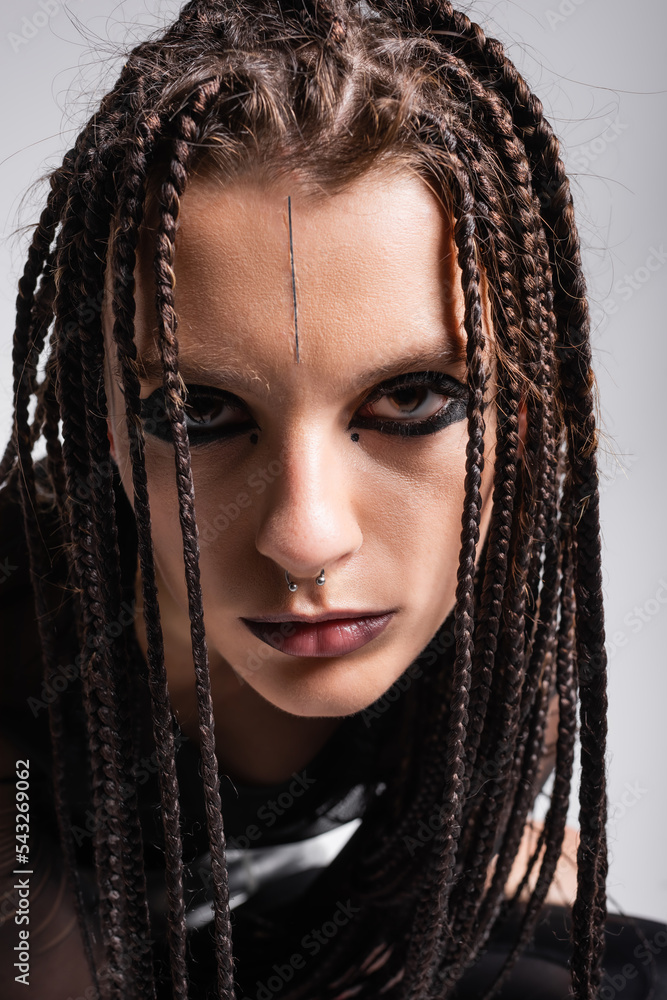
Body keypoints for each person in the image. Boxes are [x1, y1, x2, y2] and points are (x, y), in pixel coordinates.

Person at [1, 1, 665, 998]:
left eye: (411, 398)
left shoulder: (496, 658)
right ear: (105, 434)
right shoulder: (25, 660)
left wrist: (437, 879)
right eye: (198, 411)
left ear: (519, 424)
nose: (307, 537)